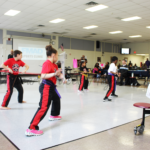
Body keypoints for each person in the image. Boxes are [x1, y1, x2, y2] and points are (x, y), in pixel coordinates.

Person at [25, 45, 66, 136]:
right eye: (57, 55)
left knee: (56, 99)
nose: (57, 57)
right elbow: (43, 75)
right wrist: (54, 74)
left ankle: (54, 115)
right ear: (53, 55)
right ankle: (31, 128)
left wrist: (63, 78)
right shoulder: (47, 63)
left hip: (52, 87)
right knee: (43, 107)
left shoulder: (54, 65)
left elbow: (58, 75)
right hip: (46, 87)